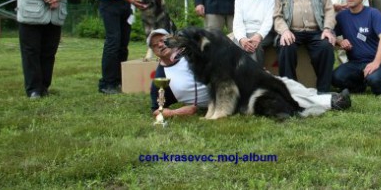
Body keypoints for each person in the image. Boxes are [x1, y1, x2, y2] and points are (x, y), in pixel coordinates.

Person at [146, 29, 350, 117]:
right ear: (153, 51)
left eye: (163, 40)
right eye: (155, 45)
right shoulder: (162, 77)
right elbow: (157, 109)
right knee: (282, 94)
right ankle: (332, 103)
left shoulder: (191, 53)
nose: (161, 45)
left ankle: (326, 97)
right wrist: (177, 112)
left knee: (286, 83)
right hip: (235, 96)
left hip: (243, 80)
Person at [273, 0, 336, 93]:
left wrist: (327, 29)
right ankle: (290, 91)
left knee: (326, 46)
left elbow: (329, 10)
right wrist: (284, 31)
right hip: (292, 31)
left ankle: (323, 91)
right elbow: (277, 16)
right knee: (286, 46)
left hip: (316, 31)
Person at [332, 0, 381, 95]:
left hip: (379, 61)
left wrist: (376, 63)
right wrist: (340, 41)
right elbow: (330, 36)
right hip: (355, 63)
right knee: (335, 78)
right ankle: (359, 87)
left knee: (373, 79)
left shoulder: (373, 14)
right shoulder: (341, 16)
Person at [233, 0, 276, 65]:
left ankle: (256, 78)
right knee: (236, 47)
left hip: (264, 32)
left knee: (254, 48)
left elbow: (269, 19)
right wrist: (242, 39)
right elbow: (238, 22)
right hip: (245, 31)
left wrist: (258, 36)